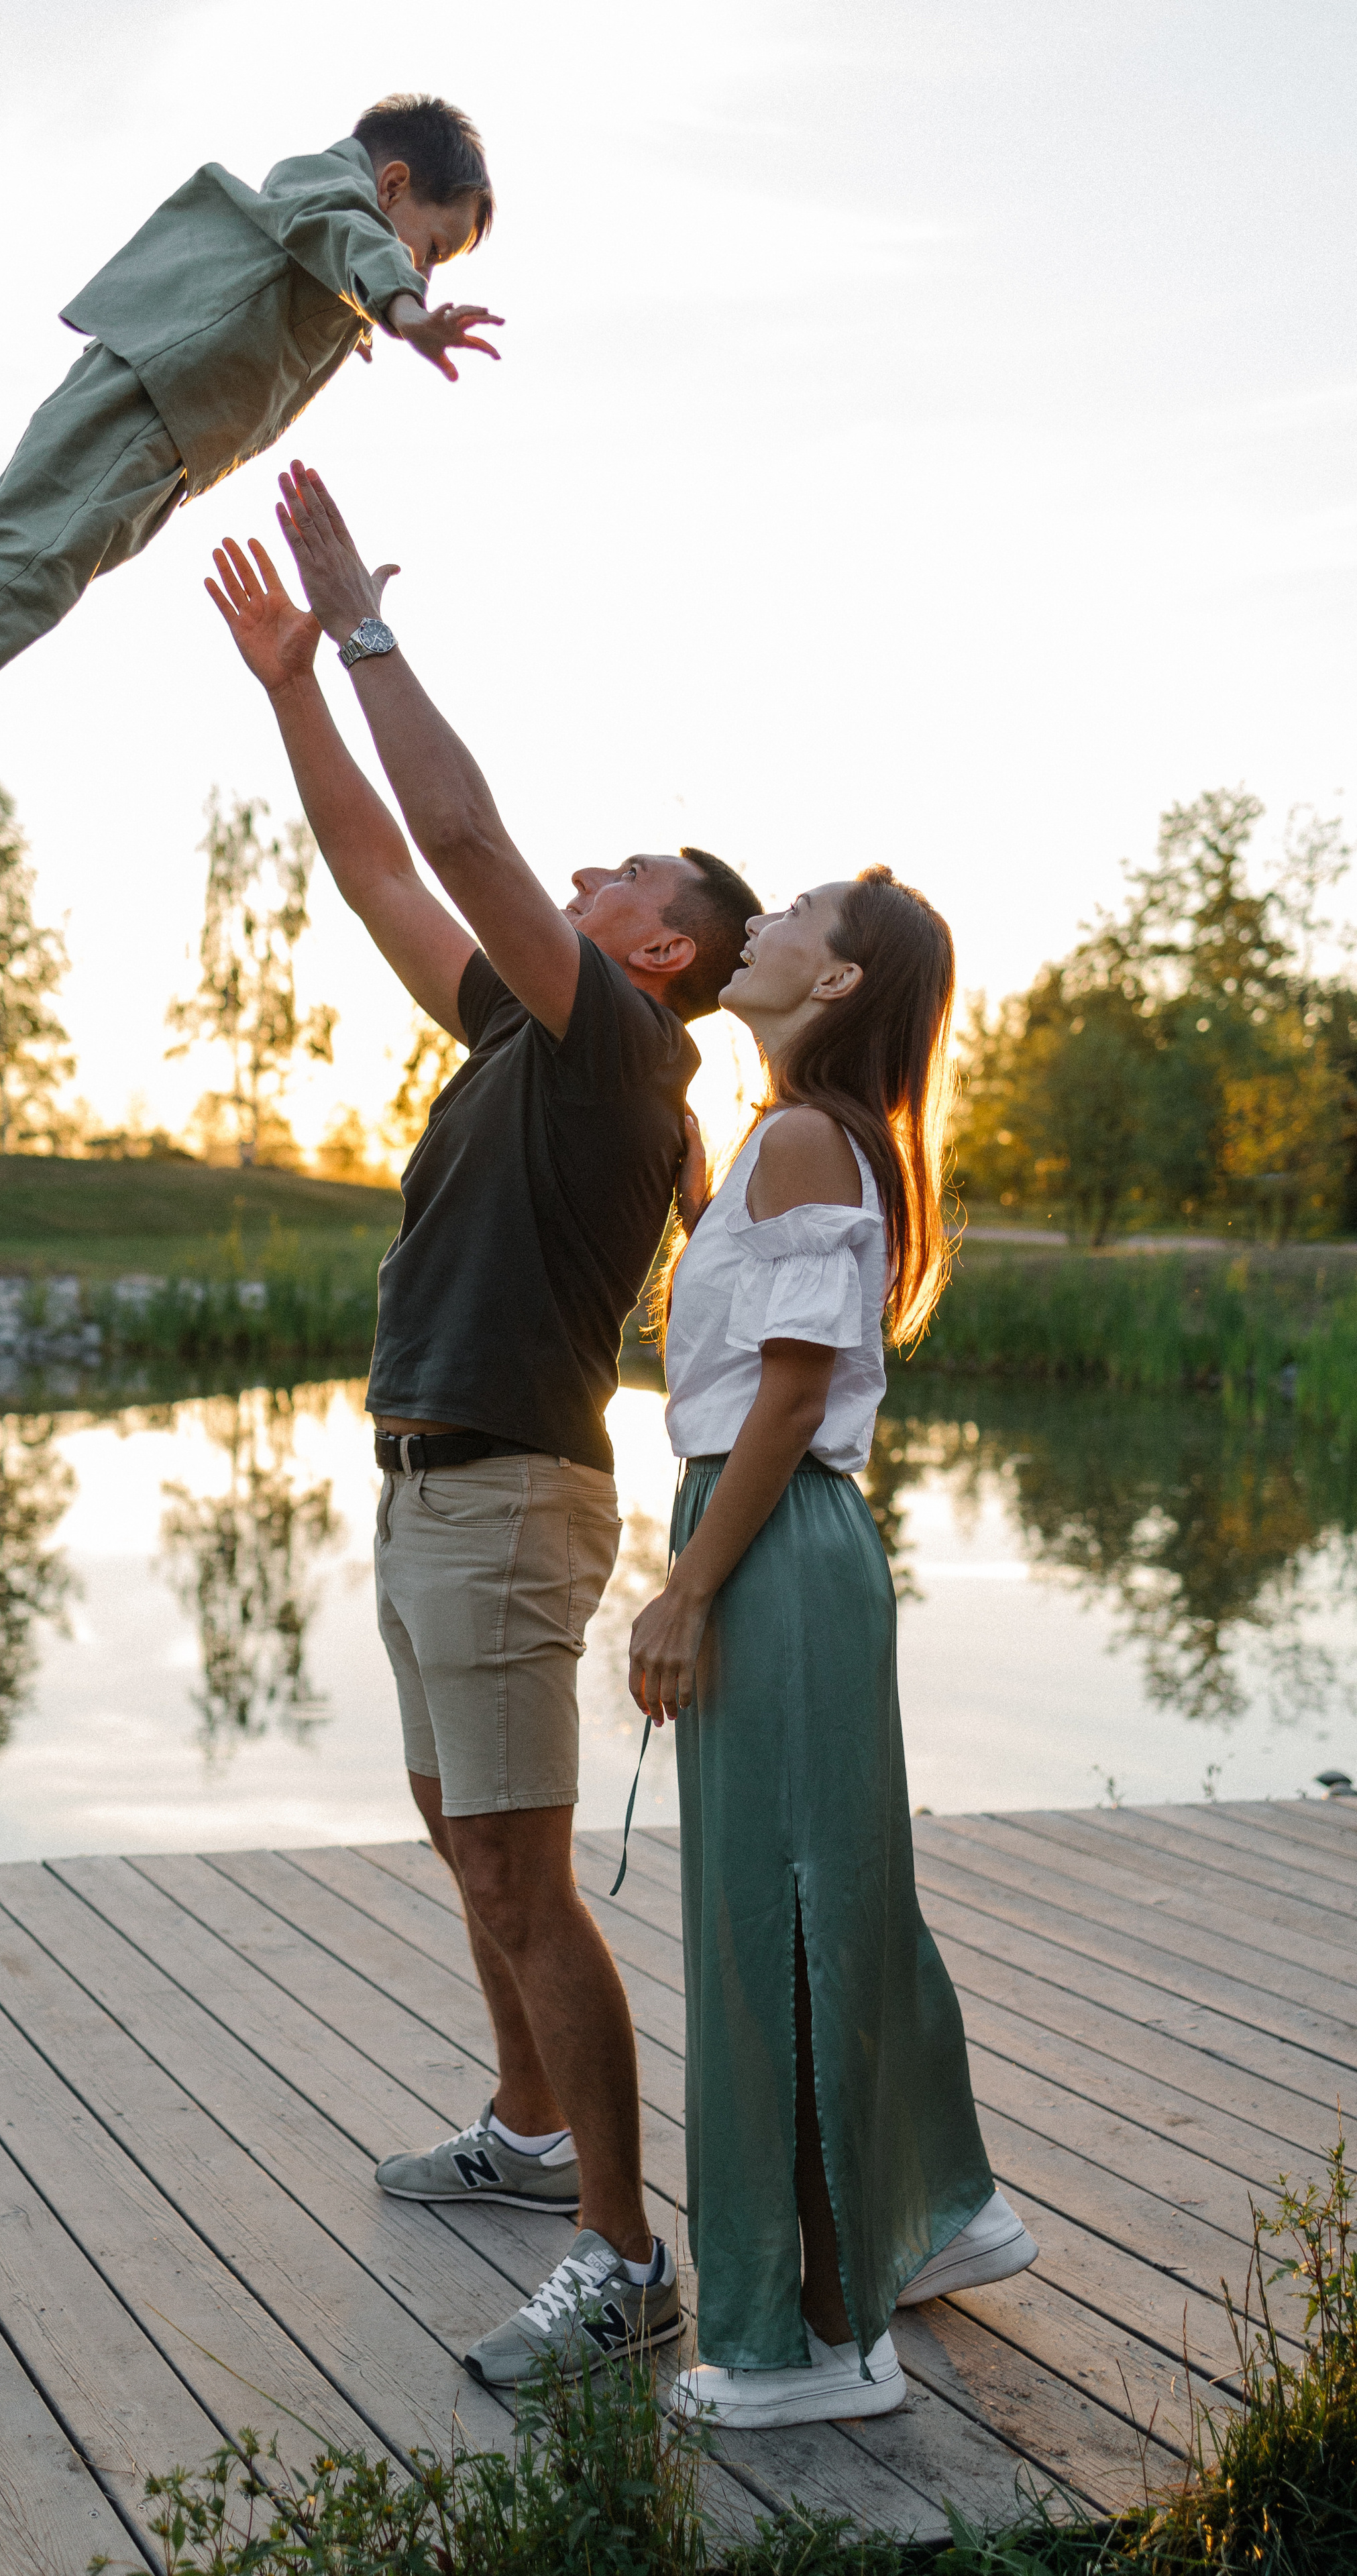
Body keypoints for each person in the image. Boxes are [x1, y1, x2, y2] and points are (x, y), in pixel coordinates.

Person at [203, 464, 761, 2386]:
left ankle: (624, 2257)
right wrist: (289, 686)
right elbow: (382, 870)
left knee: (520, 1872)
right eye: (590, 874)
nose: (584, 883)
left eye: (626, 882)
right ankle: (529, 2139)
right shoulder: (531, 1031)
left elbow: (454, 829)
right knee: (470, 1843)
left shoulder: (623, 1046)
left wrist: (362, 626)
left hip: (513, 1498)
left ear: (664, 951)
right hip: (432, 1480)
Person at [627, 870, 1038, 2431]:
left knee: (778, 1922)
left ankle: (819, 2340)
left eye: (790, 911)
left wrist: (680, 1592)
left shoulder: (805, 1137)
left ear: (841, 975)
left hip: (768, 1539)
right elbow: (758, 1338)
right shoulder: (796, 1138)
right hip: (791, 1542)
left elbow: (787, 1400)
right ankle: (925, 2212)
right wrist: (688, 1176)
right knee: (828, 1892)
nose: (759, 924)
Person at [0, 95, 500, 825]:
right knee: (41, 569)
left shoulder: (325, 220)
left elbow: (333, 256)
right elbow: (347, 236)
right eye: (431, 250)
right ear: (394, 185)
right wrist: (406, 313)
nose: (426, 276)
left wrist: (375, 314)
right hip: (156, 408)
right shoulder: (339, 203)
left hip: (138, 395)